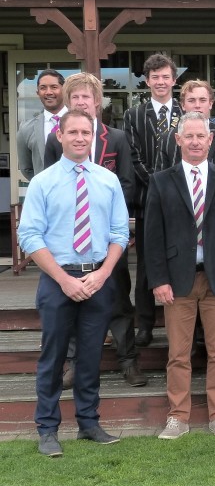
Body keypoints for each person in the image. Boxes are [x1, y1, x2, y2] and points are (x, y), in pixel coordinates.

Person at [19, 109, 129, 456]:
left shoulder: (107, 180)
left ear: (93, 137)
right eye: (74, 132)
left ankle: (88, 422)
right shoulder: (43, 182)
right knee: (53, 357)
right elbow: (30, 235)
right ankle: (48, 429)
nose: (81, 137)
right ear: (60, 137)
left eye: (87, 132)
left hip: (98, 277)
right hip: (57, 280)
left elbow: (120, 232)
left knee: (90, 355)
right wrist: (65, 280)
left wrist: (102, 273)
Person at [144, 112, 215, 439]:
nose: (194, 142)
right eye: (187, 136)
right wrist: (158, 280)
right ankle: (178, 416)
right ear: (178, 140)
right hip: (177, 282)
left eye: (199, 136)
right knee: (178, 353)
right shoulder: (161, 181)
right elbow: (152, 236)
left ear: (210, 140)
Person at [42, 72, 144, 389]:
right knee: (72, 302)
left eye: (86, 97)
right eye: (75, 98)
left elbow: (127, 183)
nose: (81, 102)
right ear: (68, 102)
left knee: (118, 300)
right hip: (69, 242)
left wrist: (104, 217)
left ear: (97, 102)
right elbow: (49, 183)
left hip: (108, 240)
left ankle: (128, 360)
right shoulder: (55, 139)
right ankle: (74, 364)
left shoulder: (116, 138)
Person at [124, 53, 183, 348]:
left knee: (183, 260)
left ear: (174, 80)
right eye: (155, 77)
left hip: (185, 201)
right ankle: (145, 324)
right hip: (148, 199)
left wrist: (175, 186)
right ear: (147, 82)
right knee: (148, 264)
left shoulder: (186, 113)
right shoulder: (134, 114)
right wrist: (159, 183)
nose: (161, 82)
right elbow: (133, 156)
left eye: (165, 77)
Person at [155, 79, 215, 173]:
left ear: (210, 104)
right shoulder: (167, 139)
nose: (197, 105)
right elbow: (161, 182)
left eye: (202, 100)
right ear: (183, 105)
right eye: (191, 100)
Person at [17, 69, 67, 181]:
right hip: (44, 194)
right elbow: (26, 169)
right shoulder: (26, 129)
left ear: (64, 90)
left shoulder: (81, 123)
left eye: (54, 87)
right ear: (38, 93)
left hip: (78, 192)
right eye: (43, 88)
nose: (48, 92)